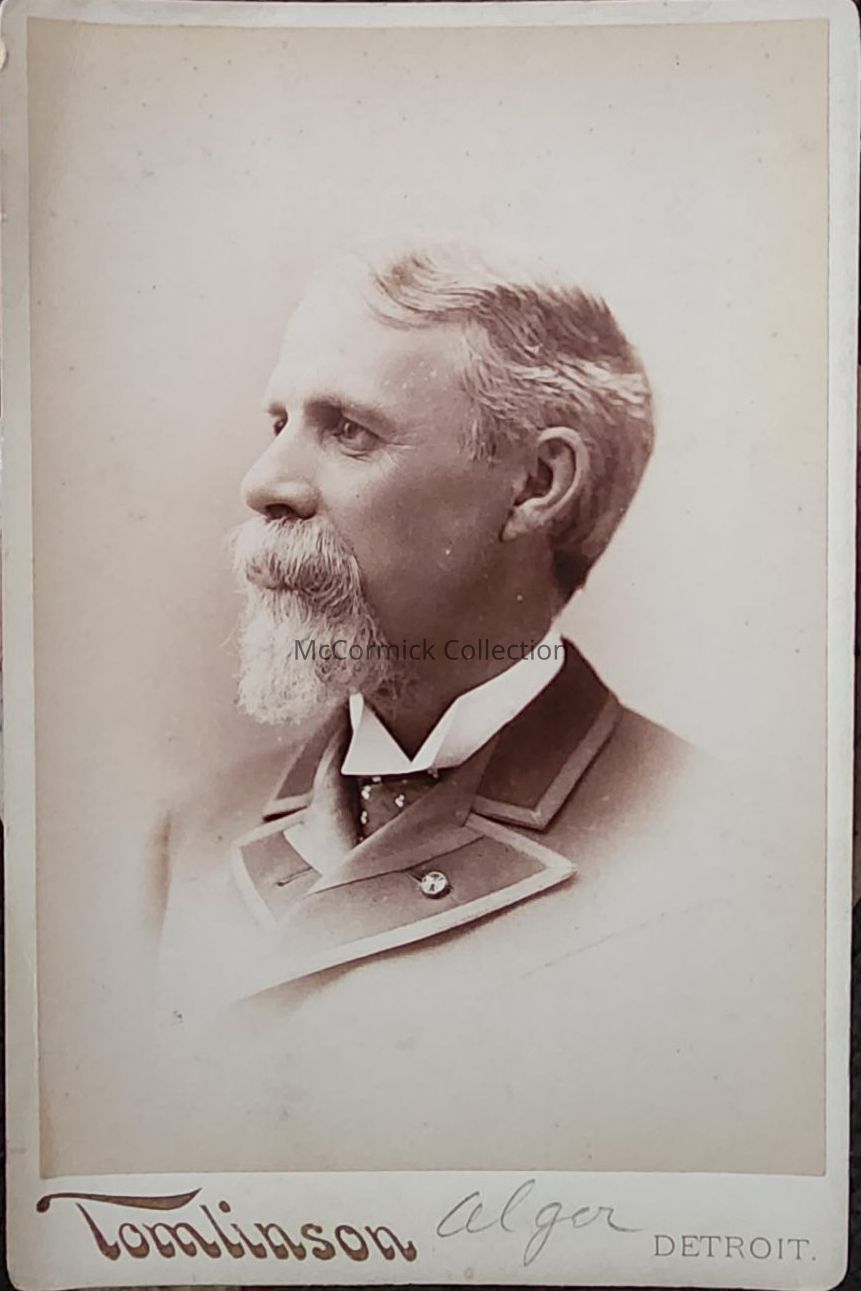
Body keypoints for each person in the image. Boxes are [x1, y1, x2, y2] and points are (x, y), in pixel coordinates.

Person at [149, 241, 820, 1176]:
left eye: (347, 430)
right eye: (279, 421)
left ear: (536, 485)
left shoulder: (730, 864)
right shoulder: (188, 839)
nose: (264, 481)